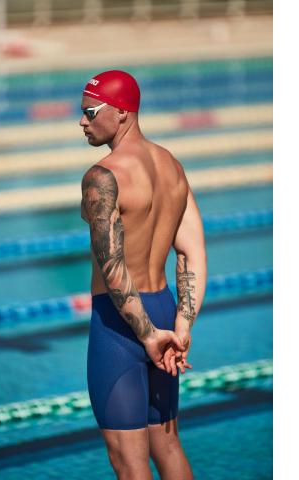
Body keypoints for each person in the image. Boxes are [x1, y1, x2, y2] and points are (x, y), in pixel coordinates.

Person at [80, 70, 207, 480]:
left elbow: (113, 268)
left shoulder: (102, 177)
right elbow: (192, 252)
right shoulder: (172, 166)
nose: (82, 121)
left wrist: (149, 335)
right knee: (168, 446)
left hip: (119, 325)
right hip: (165, 309)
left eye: (90, 112)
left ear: (121, 112)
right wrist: (182, 326)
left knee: (129, 463)